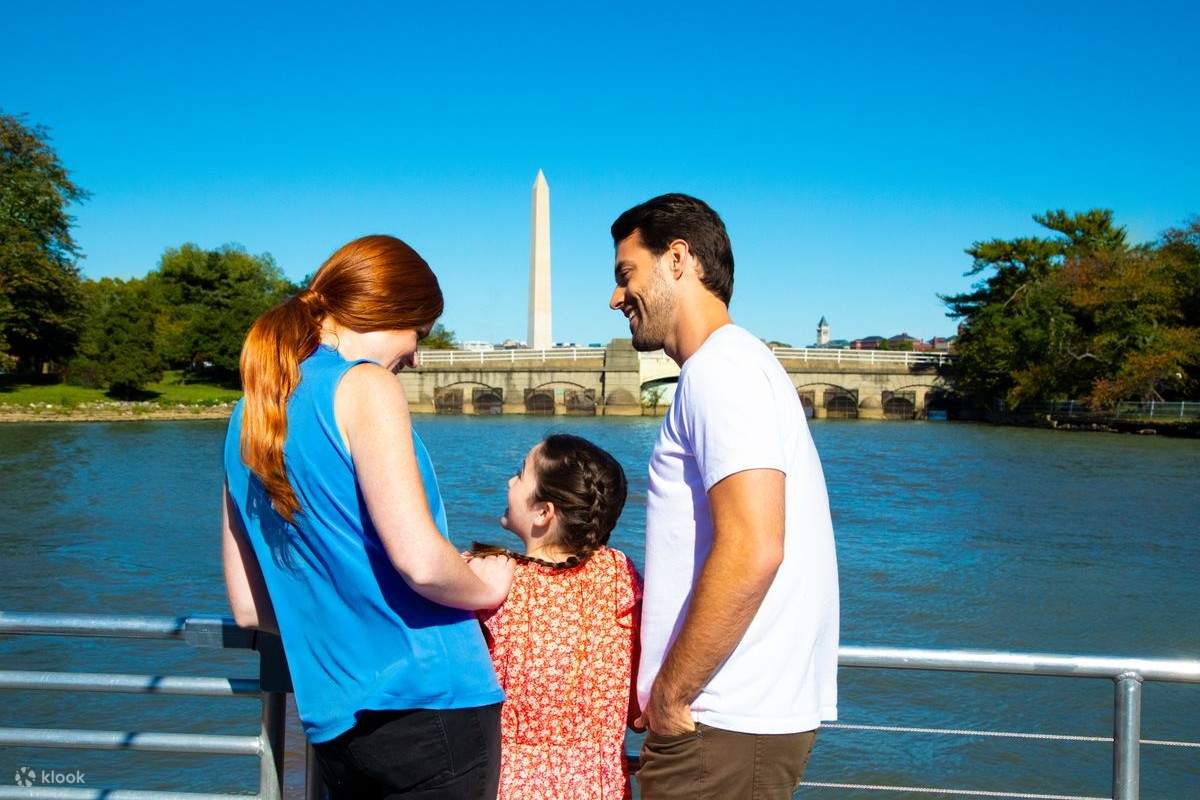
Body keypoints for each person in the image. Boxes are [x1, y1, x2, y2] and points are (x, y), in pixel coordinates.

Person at [221, 234, 515, 800]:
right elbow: (422, 564)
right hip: (431, 707)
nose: (416, 356)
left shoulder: (247, 415)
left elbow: (247, 604)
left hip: (335, 721)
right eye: (419, 333)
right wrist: (485, 587)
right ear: (390, 309)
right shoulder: (366, 386)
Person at [608, 195, 840, 799]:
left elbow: (756, 546)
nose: (615, 299)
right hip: (732, 721)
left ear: (677, 260)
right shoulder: (737, 367)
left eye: (625, 275)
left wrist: (671, 694)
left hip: (721, 723)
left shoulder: (722, 372)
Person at [469, 434, 642, 800]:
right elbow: (638, 707)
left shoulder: (494, 581)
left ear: (543, 512)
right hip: (601, 786)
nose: (509, 481)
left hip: (512, 786)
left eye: (520, 474)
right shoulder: (620, 577)